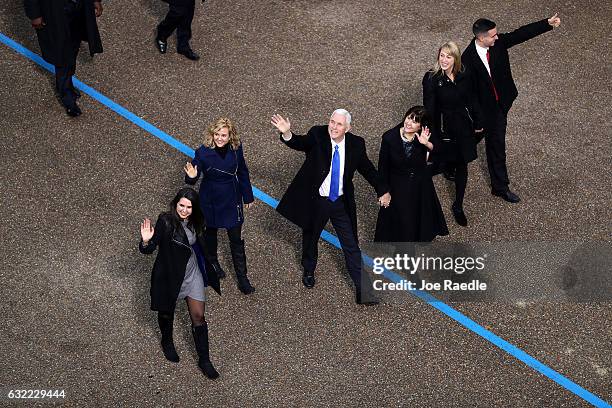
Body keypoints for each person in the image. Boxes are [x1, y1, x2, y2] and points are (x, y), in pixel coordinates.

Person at [271, 110, 390, 305]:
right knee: (311, 237)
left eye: (339, 124)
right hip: (317, 200)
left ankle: (364, 291)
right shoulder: (318, 135)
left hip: (340, 202)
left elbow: (368, 170)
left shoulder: (356, 144)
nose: (333, 127)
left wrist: (382, 190)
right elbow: (301, 143)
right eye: (332, 122)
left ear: (348, 128)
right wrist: (287, 134)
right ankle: (309, 269)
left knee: (351, 245)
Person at [461, 14, 562, 203]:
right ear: (481, 38)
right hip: (486, 110)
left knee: (484, 138)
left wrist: (546, 23)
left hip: (502, 102)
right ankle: (500, 187)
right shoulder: (467, 59)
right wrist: (478, 119)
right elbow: (470, 94)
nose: (497, 37)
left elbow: (520, 34)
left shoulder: (497, 44)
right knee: (495, 145)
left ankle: (456, 159)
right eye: (493, 35)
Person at [139, 187, 221, 379]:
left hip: (192, 273)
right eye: (181, 206)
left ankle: (204, 360)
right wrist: (145, 242)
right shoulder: (165, 221)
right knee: (166, 313)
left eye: (189, 207)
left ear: (195, 208)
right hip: (170, 275)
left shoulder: (197, 221)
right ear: (175, 204)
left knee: (199, 316)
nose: (184, 210)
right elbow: (149, 249)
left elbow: (201, 244)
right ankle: (167, 341)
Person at [184, 118, 256, 295]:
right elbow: (193, 173)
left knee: (236, 239)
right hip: (210, 197)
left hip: (231, 196)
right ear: (212, 134)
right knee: (210, 234)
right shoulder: (202, 152)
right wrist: (192, 176)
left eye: (223, 135)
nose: (220, 138)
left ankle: (242, 277)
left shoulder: (236, 149)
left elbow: (243, 171)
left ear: (230, 135)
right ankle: (213, 263)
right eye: (216, 134)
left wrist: (247, 196)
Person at [423, 41, 484, 226]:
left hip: (463, 126)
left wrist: (478, 120)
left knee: (462, 165)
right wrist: (432, 132)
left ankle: (458, 205)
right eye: (442, 55)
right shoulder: (432, 78)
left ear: (455, 58)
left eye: (448, 56)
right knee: (435, 161)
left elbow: (472, 98)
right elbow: (430, 108)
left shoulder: (464, 74)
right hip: (444, 127)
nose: (444, 60)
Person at [374, 106, 449, 241]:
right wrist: (383, 192)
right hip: (398, 188)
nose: (409, 123)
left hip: (420, 188)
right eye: (409, 117)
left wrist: (427, 144)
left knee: (416, 224)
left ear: (421, 126)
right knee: (399, 225)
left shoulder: (424, 136)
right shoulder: (389, 138)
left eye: (415, 121)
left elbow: (441, 152)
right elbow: (383, 167)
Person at [24, 0, 104, 117]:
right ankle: (66, 95)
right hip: (56, 12)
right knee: (62, 54)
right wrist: (34, 14)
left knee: (73, 46)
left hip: (78, 8)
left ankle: (67, 85)